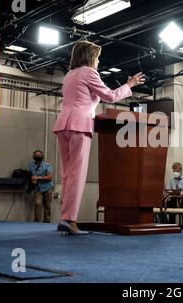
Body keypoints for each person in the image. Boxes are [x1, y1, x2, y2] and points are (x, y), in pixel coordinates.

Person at [53, 41, 145, 235]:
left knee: (68, 173)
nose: (98, 60)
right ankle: (69, 219)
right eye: (97, 56)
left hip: (63, 124)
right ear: (89, 56)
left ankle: (65, 217)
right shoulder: (88, 72)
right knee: (77, 173)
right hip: (79, 124)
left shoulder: (70, 74)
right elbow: (110, 96)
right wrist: (129, 84)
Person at [28, 150, 54, 223]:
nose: (38, 156)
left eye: (39, 155)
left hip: (47, 188)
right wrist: (31, 180)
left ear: (42, 156)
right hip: (37, 189)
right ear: (33, 156)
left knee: (47, 205)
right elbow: (29, 176)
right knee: (37, 203)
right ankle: (36, 221)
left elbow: (50, 177)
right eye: (36, 155)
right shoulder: (30, 165)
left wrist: (38, 178)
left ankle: (47, 221)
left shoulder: (47, 165)